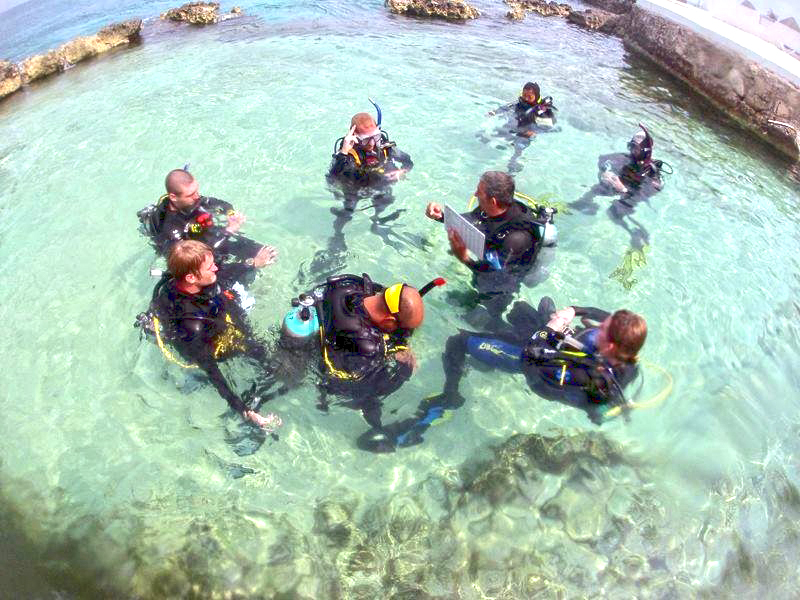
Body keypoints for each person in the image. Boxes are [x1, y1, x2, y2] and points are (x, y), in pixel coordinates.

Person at [386, 297, 647, 447]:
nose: (599, 325)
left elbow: (533, 357)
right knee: (520, 310)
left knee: (458, 340)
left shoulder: (585, 377)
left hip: (531, 364)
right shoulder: (627, 354)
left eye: (603, 329)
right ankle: (486, 357)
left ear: (611, 344)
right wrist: (575, 311)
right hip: (556, 351)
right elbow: (603, 315)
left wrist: (554, 326)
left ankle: (449, 395)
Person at [277, 272, 443, 452]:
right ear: (388, 321)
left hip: (321, 322)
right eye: (403, 330)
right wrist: (404, 370)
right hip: (310, 361)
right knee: (368, 397)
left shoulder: (353, 287)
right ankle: (377, 430)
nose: (405, 335)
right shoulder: (368, 348)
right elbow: (350, 388)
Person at [136, 240, 279, 429]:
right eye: (210, 267)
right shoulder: (192, 325)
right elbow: (212, 371)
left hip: (218, 319)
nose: (216, 268)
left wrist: (252, 263)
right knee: (270, 366)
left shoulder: (184, 282)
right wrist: (243, 410)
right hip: (212, 345)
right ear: (191, 278)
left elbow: (225, 273)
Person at [425, 171, 554, 325]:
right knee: (460, 302)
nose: (475, 194)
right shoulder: (491, 209)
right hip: (490, 263)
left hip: (501, 285)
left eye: (478, 192)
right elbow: (470, 223)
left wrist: (464, 258)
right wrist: (441, 216)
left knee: (483, 321)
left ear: (493, 201)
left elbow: (495, 274)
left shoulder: (517, 238)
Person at [305, 108, 415, 284]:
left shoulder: (384, 147)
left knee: (386, 201)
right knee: (346, 213)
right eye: (366, 139)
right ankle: (337, 236)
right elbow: (333, 176)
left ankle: (378, 223)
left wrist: (401, 172)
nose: (372, 144)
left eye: (376, 137)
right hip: (354, 189)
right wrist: (344, 150)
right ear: (354, 137)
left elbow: (408, 161)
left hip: (379, 184)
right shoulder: (347, 154)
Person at [137, 169, 278, 269]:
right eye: (191, 194)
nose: (197, 196)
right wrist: (228, 231)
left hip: (210, 236)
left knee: (265, 253)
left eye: (197, 191)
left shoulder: (191, 200)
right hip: (193, 252)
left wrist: (230, 213)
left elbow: (217, 203)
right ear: (173, 197)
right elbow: (192, 256)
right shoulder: (170, 228)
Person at [570, 124, 667, 249]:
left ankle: (635, 235)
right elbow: (603, 159)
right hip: (619, 184)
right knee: (598, 188)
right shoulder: (626, 157)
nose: (632, 151)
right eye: (630, 146)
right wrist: (605, 171)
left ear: (645, 151)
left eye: (635, 148)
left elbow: (649, 192)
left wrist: (624, 190)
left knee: (614, 211)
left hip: (631, 193)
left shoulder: (652, 174)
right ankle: (583, 205)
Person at [487, 82, 557, 172]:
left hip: (528, 129)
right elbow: (505, 108)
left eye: (530, 97)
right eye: (524, 95)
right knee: (500, 133)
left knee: (519, 145)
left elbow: (548, 126)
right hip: (516, 125)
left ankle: (513, 163)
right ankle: (495, 154)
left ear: (536, 97)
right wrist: (495, 112)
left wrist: (535, 132)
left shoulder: (541, 110)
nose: (526, 98)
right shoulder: (518, 103)